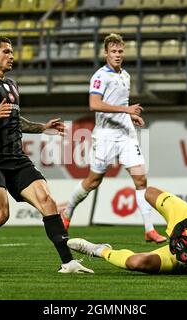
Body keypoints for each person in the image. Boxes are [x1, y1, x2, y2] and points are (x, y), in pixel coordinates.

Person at [0, 36, 92, 274]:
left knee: (47, 201)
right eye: (6, 51)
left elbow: (14, 119)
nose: (12, 56)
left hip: (15, 157)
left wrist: (42, 127)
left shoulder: (12, 84)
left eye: (12, 52)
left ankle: (68, 262)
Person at [60, 33, 166, 244]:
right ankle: (67, 211)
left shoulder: (125, 75)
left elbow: (119, 104)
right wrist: (126, 109)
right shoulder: (100, 76)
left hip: (126, 135)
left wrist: (130, 115)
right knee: (92, 181)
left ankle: (149, 229)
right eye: (113, 52)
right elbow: (94, 104)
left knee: (141, 179)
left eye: (120, 51)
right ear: (105, 53)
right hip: (106, 136)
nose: (117, 55)